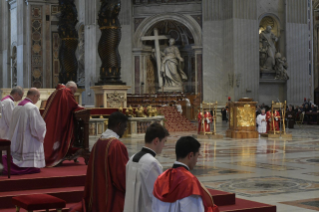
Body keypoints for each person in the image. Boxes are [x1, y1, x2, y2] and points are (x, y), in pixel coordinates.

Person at [69, 112, 129, 212]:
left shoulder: (99, 142)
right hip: (111, 197)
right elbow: (121, 177)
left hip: (98, 193)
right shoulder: (116, 145)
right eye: (125, 127)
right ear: (119, 125)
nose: (125, 130)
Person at [152, 136, 219, 212]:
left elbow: (154, 207)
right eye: (197, 155)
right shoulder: (190, 182)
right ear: (190, 155)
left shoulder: (160, 178)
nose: (197, 160)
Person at [124, 123, 169, 212]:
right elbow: (158, 196)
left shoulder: (131, 159)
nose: (164, 145)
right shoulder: (152, 163)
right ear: (156, 141)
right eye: (164, 141)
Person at [3, 88, 46, 175]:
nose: (38, 100)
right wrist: (42, 134)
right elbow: (38, 128)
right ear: (35, 96)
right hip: (29, 139)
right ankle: (29, 165)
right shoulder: (32, 108)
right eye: (38, 98)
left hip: (17, 137)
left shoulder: (18, 106)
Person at [42, 81, 83, 167]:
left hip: (50, 119)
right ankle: (51, 157)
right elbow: (73, 104)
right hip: (58, 121)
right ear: (71, 88)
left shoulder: (56, 92)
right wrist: (80, 107)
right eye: (74, 92)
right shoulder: (66, 91)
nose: (73, 94)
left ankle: (42, 157)